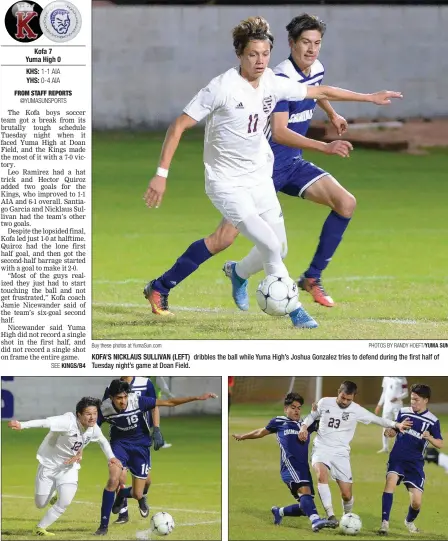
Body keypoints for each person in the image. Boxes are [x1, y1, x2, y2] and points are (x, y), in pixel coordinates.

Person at [143, 14, 400, 318]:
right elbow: (178, 127)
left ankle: (163, 286)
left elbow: (321, 92)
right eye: (253, 54)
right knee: (265, 243)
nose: (261, 60)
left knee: (277, 246)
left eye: (265, 53)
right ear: (240, 54)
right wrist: (161, 175)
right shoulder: (221, 87)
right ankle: (295, 311)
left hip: (259, 175)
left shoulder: (272, 83)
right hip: (227, 182)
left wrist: (369, 98)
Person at [95, 379, 217, 536]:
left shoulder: (137, 401)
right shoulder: (104, 409)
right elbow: (92, 429)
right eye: (119, 398)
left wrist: (197, 397)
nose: (123, 401)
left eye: (125, 397)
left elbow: (169, 402)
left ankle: (123, 494)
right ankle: (103, 526)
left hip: (141, 448)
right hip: (120, 446)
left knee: (139, 494)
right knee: (114, 479)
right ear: (111, 397)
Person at [298, 380, 412, 527]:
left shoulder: (356, 410)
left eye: (348, 399)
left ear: (354, 397)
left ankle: (347, 516)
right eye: (342, 398)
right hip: (321, 447)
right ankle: (331, 515)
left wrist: (396, 425)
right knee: (321, 474)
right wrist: (303, 427)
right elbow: (312, 416)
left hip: (341, 452)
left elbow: (377, 420)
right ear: (339, 392)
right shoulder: (324, 402)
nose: (345, 402)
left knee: (346, 494)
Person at [8, 397, 122, 538]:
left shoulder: (93, 429)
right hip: (49, 466)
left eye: (95, 413)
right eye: (88, 414)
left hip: (69, 468)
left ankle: (40, 528)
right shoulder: (67, 422)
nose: (92, 417)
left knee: (65, 501)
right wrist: (22, 425)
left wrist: (111, 457)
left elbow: (102, 440)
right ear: (78, 414)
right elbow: (45, 423)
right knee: (40, 504)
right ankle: (52, 494)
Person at [232, 392, 330, 532]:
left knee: (305, 506)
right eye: (293, 407)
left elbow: (326, 424)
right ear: (286, 409)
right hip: (289, 467)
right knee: (305, 494)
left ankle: (279, 512)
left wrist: (319, 411)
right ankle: (315, 521)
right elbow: (261, 432)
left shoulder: (306, 424)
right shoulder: (279, 422)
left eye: (299, 408)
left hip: (303, 468)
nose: (296, 410)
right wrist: (243, 436)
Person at [378, 383, 443, 535]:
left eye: (416, 399)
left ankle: (409, 521)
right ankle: (384, 524)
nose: (413, 402)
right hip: (397, 458)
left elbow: (440, 443)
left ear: (426, 400)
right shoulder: (403, 412)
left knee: (416, 503)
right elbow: (393, 430)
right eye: (412, 399)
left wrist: (430, 438)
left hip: (415, 463)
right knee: (390, 483)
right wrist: (389, 432)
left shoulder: (432, 421)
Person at [102, 376, 168, 526]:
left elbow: (154, 405)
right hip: (121, 441)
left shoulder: (145, 383)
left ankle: (138, 496)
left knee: (146, 483)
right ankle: (123, 513)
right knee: (119, 476)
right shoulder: (112, 386)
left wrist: (156, 428)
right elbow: (107, 410)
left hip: (140, 440)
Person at [375, 377, 408, 453]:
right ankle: (385, 447)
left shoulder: (402, 378)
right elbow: (384, 392)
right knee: (385, 425)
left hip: (397, 406)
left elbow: (406, 393)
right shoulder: (386, 378)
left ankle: (400, 447)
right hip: (387, 406)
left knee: (400, 426)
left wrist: (397, 398)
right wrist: (379, 405)